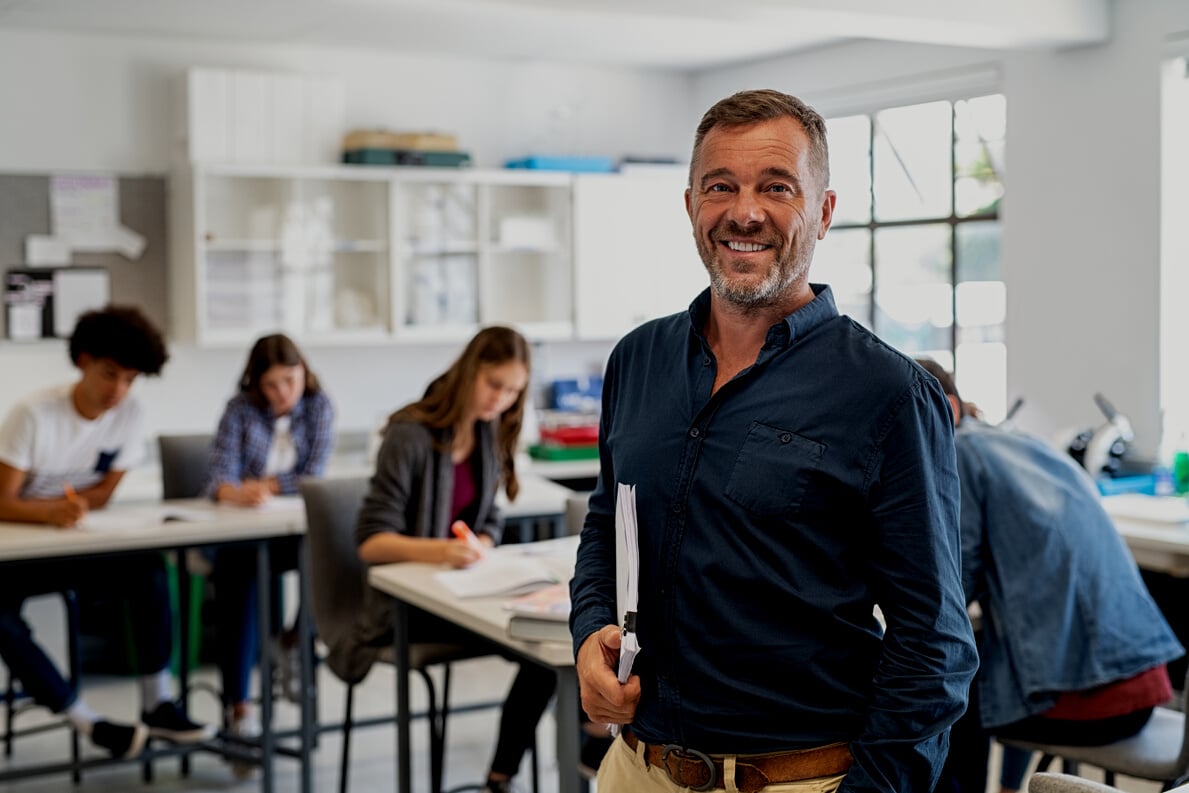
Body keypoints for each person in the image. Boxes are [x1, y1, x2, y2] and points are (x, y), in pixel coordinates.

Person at [567, 89, 979, 793]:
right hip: (638, 768)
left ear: (822, 210)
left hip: (796, 778)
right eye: (719, 186)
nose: (744, 211)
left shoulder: (887, 392)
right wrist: (589, 633)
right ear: (691, 204)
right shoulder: (637, 359)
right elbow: (609, 521)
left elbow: (932, 641)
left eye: (775, 187)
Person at [916, 359, 1184, 793]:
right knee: (982, 657)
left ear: (945, 409)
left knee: (943, 692)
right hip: (1145, 685)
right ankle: (1007, 787)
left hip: (1095, 701)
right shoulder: (1021, 444)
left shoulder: (959, 452)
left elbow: (951, 590)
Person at [0, 305, 213, 758]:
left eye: (129, 380)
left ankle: (158, 704)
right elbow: (2, 501)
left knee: (149, 570)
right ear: (83, 361)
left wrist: (68, 511)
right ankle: (86, 721)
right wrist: (51, 513)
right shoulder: (33, 414)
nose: (117, 390)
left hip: (76, 548)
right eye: (109, 374)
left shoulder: (129, 414)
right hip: (18, 555)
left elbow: (102, 493)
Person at [353, 326, 555, 793]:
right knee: (544, 647)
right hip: (409, 606)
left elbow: (489, 520)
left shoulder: (487, 434)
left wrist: (480, 539)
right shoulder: (409, 434)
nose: (500, 400)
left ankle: (501, 776)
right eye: (493, 385)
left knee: (555, 642)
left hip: (464, 590)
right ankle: (509, 776)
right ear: (469, 373)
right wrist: (441, 551)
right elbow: (370, 542)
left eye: (512, 392)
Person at [204, 333, 334, 768]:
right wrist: (232, 492)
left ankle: (296, 642)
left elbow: (314, 473)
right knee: (238, 578)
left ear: (304, 374)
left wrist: (264, 485)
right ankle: (239, 710)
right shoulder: (239, 410)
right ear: (256, 383)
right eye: (272, 384)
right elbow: (221, 476)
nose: (283, 393)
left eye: (290, 381)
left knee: (333, 554)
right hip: (245, 535)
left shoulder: (319, 407)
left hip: (295, 532)